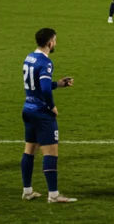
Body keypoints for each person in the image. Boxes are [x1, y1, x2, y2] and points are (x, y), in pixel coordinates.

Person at [19, 28, 76, 203]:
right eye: (55, 41)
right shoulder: (45, 62)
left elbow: (36, 85)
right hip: (41, 113)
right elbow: (43, 89)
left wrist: (58, 84)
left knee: (29, 150)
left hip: (28, 109)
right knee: (50, 153)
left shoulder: (29, 57)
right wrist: (52, 107)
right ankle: (53, 195)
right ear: (50, 43)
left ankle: (27, 191)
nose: (55, 44)